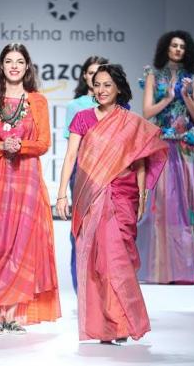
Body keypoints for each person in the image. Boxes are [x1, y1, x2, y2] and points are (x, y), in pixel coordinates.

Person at [56, 64, 167, 343]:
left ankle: (122, 323)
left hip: (123, 195)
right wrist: (61, 194)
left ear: (118, 88)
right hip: (91, 195)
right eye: (97, 84)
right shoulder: (82, 118)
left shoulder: (130, 121)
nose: (102, 90)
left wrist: (142, 196)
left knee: (118, 261)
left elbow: (140, 162)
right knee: (97, 263)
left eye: (107, 84)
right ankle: (106, 326)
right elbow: (71, 157)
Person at [0, 43, 61, 335]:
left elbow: (43, 143)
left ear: (27, 66)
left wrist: (21, 146)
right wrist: (0, 146)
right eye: (9, 61)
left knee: (21, 241)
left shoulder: (37, 101)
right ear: (2, 66)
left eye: (20, 61)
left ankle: (14, 316)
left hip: (25, 177)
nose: (14, 66)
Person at [136, 30, 194, 283]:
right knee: (163, 208)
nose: (178, 49)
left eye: (182, 46)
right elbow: (147, 112)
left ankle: (189, 270)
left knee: (191, 207)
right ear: (166, 48)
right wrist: (168, 98)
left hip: (187, 149)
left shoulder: (193, 78)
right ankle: (163, 269)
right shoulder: (153, 75)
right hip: (163, 147)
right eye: (174, 45)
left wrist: (186, 95)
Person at [63, 55, 107, 290]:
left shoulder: (116, 106)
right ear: (84, 76)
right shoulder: (75, 106)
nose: (95, 77)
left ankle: (103, 291)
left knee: (106, 233)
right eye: (91, 73)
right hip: (83, 173)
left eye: (100, 73)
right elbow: (72, 149)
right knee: (80, 230)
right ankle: (81, 290)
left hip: (110, 174)